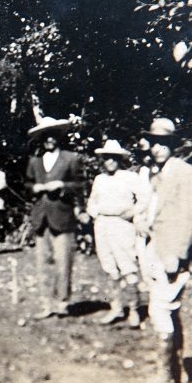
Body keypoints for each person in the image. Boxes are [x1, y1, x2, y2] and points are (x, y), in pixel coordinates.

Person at [132, 118, 192, 383]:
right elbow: (152, 209)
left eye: (165, 143)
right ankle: (177, 370)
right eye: (155, 143)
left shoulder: (184, 173)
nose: (158, 148)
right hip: (154, 248)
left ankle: (165, 377)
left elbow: (191, 217)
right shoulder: (154, 173)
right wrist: (140, 219)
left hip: (171, 252)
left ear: (174, 145)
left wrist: (179, 253)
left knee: (160, 310)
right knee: (168, 308)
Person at [25, 117, 84, 319]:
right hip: (41, 218)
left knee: (64, 260)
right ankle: (46, 303)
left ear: (59, 137)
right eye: (45, 136)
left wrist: (62, 186)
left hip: (63, 216)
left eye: (53, 135)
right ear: (41, 139)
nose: (49, 139)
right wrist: (34, 188)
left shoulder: (71, 158)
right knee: (42, 262)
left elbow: (80, 186)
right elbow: (27, 185)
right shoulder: (34, 161)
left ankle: (62, 303)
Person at [86, 139, 147, 328]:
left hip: (121, 225)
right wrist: (94, 214)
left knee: (127, 267)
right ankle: (116, 308)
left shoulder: (129, 177)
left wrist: (133, 212)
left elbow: (145, 198)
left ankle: (134, 310)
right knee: (110, 269)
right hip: (102, 224)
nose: (109, 162)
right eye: (106, 158)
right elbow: (92, 202)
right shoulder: (100, 179)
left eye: (113, 158)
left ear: (120, 159)